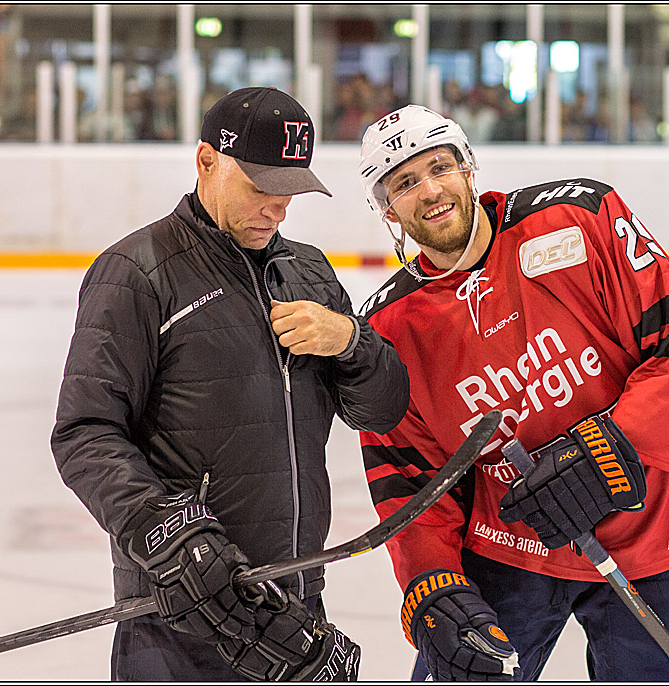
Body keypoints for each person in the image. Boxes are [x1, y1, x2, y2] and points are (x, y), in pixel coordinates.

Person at [354, 105, 669, 681]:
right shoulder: (390, 328)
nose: (429, 190)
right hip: (509, 551)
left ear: (469, 167)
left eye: (440, 167)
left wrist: (609, 450)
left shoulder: (581, 217)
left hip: (654, 530)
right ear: (386, 209)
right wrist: (430, 582)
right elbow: (407, 478)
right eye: (404, 183)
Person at [51, 87, 410, 681]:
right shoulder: (137, 272)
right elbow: (85, 433)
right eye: (261, 187)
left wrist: (352, 341)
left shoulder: (309, 272)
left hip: (292, 605)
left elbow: (382, 411)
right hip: (181, 614)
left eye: (289, 190)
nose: (278, 209)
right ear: (206, 161)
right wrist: (166, 531)